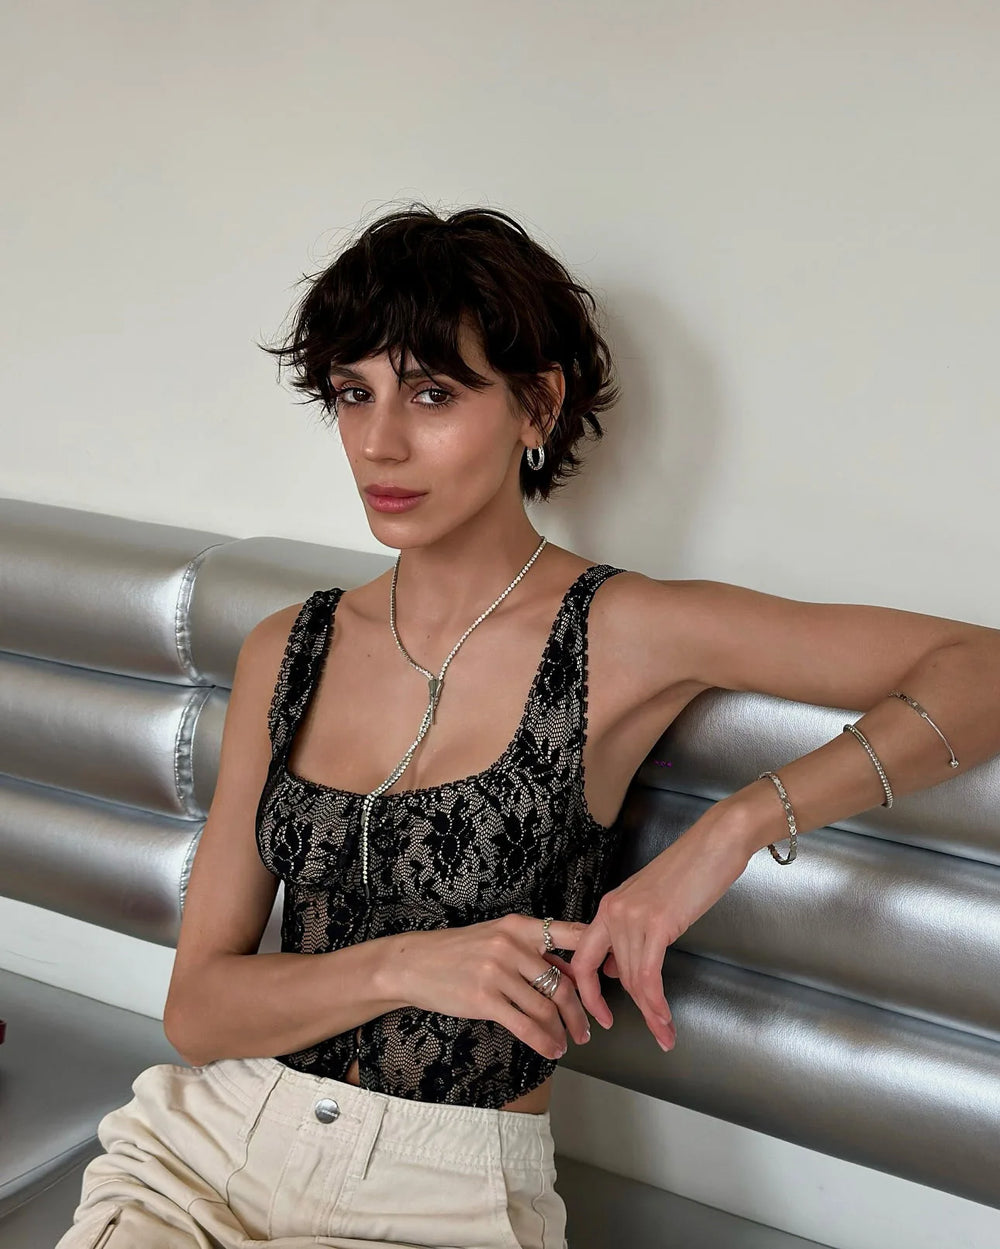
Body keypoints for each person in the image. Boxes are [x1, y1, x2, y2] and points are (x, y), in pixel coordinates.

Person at [55, 203, 1000, 1249]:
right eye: (353, 394)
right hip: (204, 1153)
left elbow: (980, 670)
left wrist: (733, 826)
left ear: (535, 405)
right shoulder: (291, 646)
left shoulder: (621, 632)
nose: (379, 440)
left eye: (431, 392)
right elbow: (198, 1009)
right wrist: (410, 963)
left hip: (439, 1198)